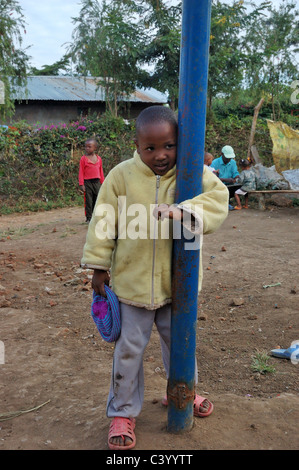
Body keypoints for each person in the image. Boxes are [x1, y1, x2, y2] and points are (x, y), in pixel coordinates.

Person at [81, 106, 229, 450]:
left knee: (180, 346)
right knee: (128, 351)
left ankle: (181, 392)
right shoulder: (120, 177)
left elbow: (219, 199)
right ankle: (122, 411)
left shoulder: (192, 173)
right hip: (131, 287)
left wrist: (185, 210)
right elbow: (102, 222)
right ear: (137, 145)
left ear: (181, 144)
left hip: (177, 287)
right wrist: (99, 267)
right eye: (151, 148)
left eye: (169, 146)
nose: (161, 156)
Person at [78, 138, 105, 222]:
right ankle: (89, 217)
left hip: (97, 182)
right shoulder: (83, 159)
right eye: (86, 147)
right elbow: (81, 171)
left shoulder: (99, 158)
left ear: (95, 148)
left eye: (89, 147)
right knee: (88, 201)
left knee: (97, 199)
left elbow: (101, 171)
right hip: (87, 183)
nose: (87, 148)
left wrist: (102, 183)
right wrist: (81, 184)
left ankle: (97, 216)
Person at [210, 145, 239, 211]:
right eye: (227, 158)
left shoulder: (233, 162)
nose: (229, 160)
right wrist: (225, 179)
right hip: (218, 185)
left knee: (238, 186)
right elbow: (211, 177)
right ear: (221, 154)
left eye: (230, 158)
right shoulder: (214, 163)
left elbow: (235, 173)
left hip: (230, 185)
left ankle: (226, 201)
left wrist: (236, 177)